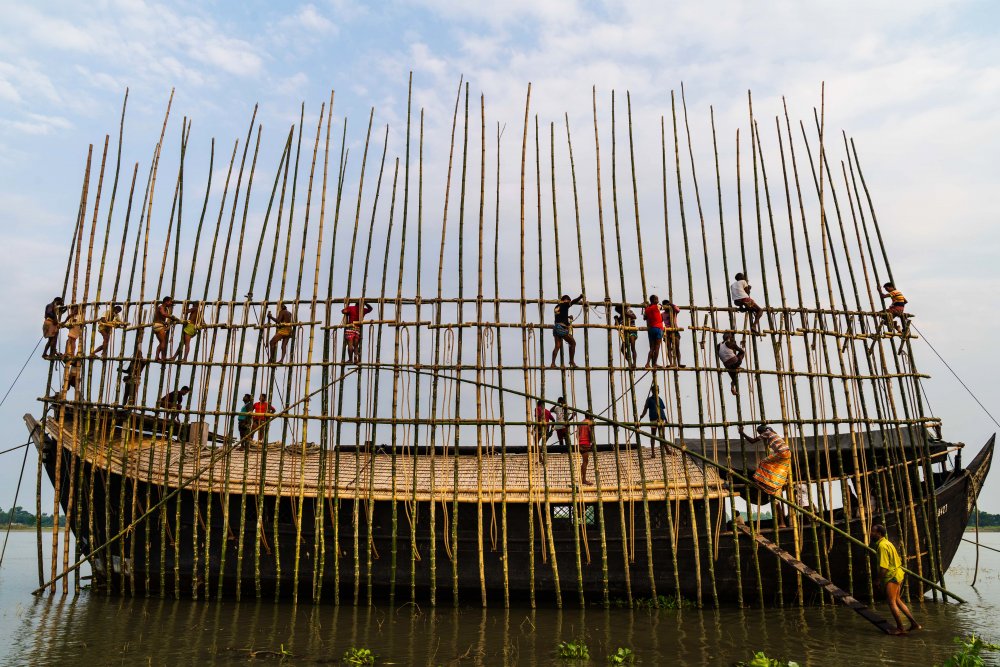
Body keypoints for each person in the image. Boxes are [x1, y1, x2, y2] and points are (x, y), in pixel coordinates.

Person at [871, 524, 921, 635]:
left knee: (892, 602)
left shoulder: (882, 546)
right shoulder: (887, 543)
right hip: (898, 574)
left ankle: (900, 628)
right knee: (897, 600)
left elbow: (884, 568)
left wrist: (878, 580)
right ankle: (914, 624)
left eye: (873, 532)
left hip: (892, 576)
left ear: (879, 534)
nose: (871, 533)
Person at [740, 424, 791, 527]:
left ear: (762, 431)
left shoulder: (766, 433)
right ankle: (770, 480)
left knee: (764, 462)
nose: (760, 435)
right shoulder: (773, 433)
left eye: (760, 433)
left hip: (782, 453)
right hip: (787, 453)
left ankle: (759, 480)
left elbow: (752, 441)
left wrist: (742, 433)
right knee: (776, 468)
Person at [550, 294, 584, 368]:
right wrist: (580, 297)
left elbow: (560, 317)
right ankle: (571, 361)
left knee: (557, 346)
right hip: (560, 328)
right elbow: (573, 302)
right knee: (573, 343)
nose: (569, 302)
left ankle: (552, 363)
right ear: (565, 300)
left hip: (556, 328)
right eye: (568, 301)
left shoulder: (557, 307)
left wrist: (568, 318)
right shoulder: (565, 304)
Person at [640, 386, 669, 458]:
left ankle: (667, 450)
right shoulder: (649, 400)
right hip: (653, 418)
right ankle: (653, 453)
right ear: (652, 391)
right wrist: (642, 415)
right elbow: (645, 409)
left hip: (661, 418)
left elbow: (662, 410)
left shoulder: (660, 399)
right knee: (653, 435)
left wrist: (666, 419)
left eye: (657, 390)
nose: (657, 391)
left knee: (662, 436)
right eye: (655, 390)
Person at [342, 299, 373, 364]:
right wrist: (366, 303)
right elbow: (370, 309)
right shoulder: (363, 310)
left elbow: (343, 311)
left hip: (350, 327)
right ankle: (355, 359)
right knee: (356, 345)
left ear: (355, 304)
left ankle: (350, 360)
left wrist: (346, 307)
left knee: (350, 344)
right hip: (357, 329)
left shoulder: (351, 308)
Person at [152, 296, 180, 361]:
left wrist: (164, 322)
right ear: (166, 301)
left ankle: (157, 357)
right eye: (170, 302)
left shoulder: (164, 308)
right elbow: (163, 314)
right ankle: (163, 357)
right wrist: (172, 317)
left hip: (157, 325)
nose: (171, 303)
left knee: (161, 342)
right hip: (158, 326)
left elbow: (159, 318)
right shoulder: (161, 307)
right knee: (164, 342)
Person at [643, 294, 665, 368]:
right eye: (657, 299)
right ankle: (654, 363)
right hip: (658, 328)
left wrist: (648, 306)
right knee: (657, 347)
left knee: (652, 347)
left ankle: (647, 363)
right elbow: (662, 307)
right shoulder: (656, 306)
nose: (658, 300)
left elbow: (645, 317)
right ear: (653, 300)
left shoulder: (647, 309)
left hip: (651, 328)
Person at [661, 298, 683, 368]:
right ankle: (671, 363)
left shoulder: (673, 311)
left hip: (674, 330)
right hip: (667, 331)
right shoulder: (663, 314)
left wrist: (671, 304)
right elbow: (659, 321)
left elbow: (678, 310)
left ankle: (679, 363)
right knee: (669, 348)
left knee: (677, 348)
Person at [577, 416, 595, 485]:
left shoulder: (580, 423)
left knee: (584, 461)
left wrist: (580, 441)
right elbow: (591, 433)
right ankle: (583, 479)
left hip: (580, 444)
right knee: (585, 462)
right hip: (585, 443)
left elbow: (577, 435)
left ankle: (582, 478)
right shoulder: (589, 423)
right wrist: (591, 442)